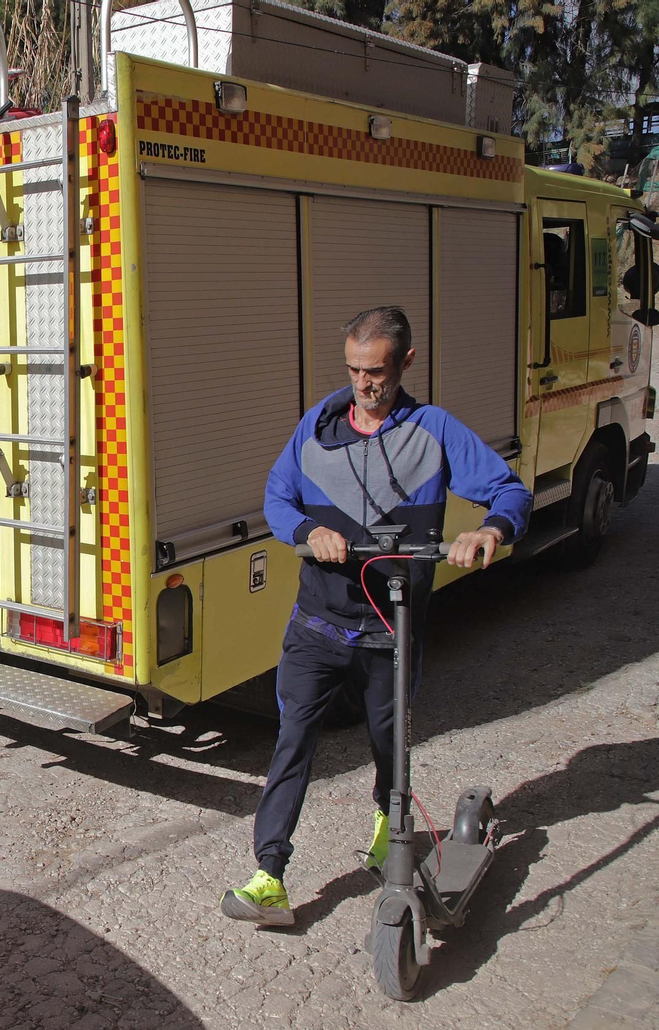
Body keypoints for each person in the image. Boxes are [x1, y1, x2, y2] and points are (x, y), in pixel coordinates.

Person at [220, 305, 532, 926]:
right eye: (356, 369)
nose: (365, 384)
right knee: (291, 745)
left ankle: (391, 834)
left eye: (378, 371)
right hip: (316, 626)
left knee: (391, 748)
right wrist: (309, 531)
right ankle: (269, 875)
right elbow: (277, 499)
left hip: (391, 628)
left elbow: (511, 491)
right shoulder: (319, 425)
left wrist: (488, 532)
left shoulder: (434, 430)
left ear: (406, 363)